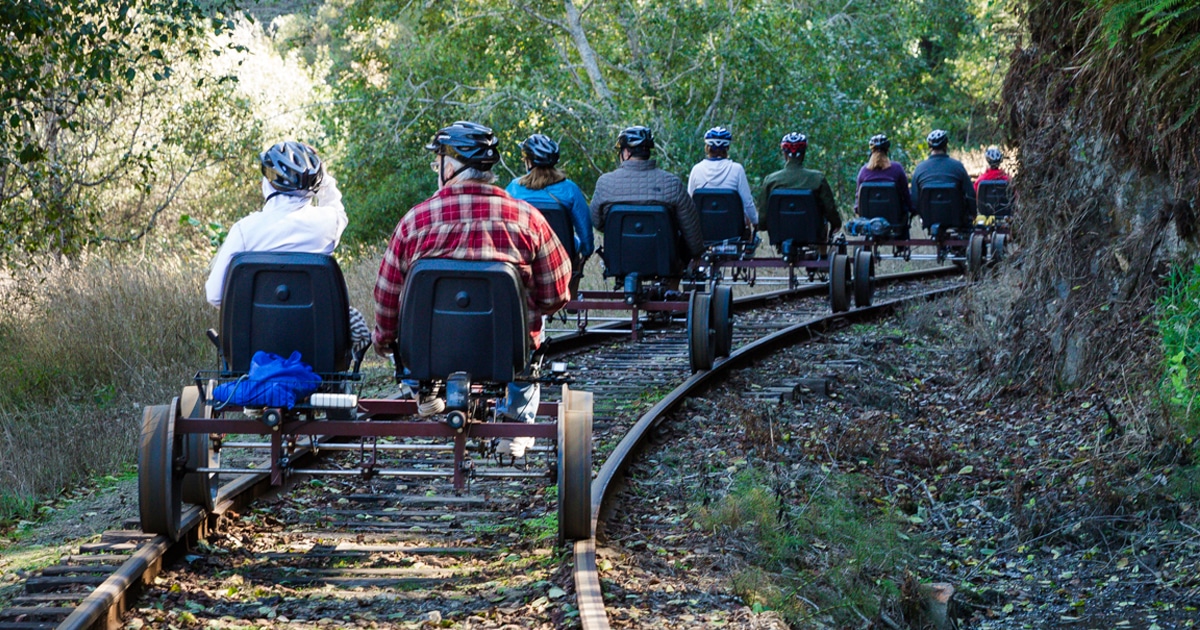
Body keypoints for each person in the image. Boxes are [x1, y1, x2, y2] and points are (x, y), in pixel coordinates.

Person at [373, 121, 571, 459]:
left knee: (404, 342)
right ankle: (517, 424)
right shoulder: (529, 219)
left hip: (428, 354)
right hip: (507, 353)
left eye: (438, 161)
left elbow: (387, 298)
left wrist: (386, 342)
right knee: (529, 345)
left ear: (450, 167)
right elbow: (556, 295)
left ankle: (427, 393)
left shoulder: (414, 222)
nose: (437, 167)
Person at [205, 140, 371, 356]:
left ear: (268, 183)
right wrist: (324, 176)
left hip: (257, 348)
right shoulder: (327, 223)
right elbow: (335, 207)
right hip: (317, 345)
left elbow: (215, 294)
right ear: (314, 181)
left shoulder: (244, 230)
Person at [591, 125, 705, 267]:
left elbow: (597, 222)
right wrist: (696, 253)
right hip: (664, 259)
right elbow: (690, 226)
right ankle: (671, 288)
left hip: (620, 257)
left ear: (626, 153)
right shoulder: (672, 183)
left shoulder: (605, 183)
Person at [505, 133, 593, 299]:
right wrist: (585, 254)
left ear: (528, 161)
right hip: (562, 256)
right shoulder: (570, 189)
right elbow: (585, 232)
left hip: (523, 254)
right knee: (577, 242)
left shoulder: (513, 189)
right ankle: (570, 293)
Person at [758, 132, 841, 242]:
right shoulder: (817, 178)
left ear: (784, 154)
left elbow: (763, 215)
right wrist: (836, 224)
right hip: (813, 233)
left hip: (781, 233)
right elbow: (829, 208)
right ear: (804, 153)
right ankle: (823, 256)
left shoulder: (771, 180)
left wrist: (763, 226)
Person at [686, 126, 757, 231]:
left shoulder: (696, 169)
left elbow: (690, 204)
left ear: (707, 148)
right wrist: (755, 221)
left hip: (703, 231)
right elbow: (747, 202)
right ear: (727, 148)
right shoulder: (737, 169)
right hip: (732, 230)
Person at [855, 133, 914, 239]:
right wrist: (912, 209)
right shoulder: (897, 169)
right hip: (895, 221)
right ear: (887, 151)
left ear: (871, 152)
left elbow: (858, 200)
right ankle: (901, 247)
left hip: (869, 222)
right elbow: (906, 195)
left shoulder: (863, 172)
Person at [911, 129, 976, 220]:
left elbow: (914, 199)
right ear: (946, 146)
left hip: (930, 218)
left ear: (930, 148)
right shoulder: (957, 166)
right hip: (957, 217)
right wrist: (973, 214)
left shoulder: (919, 168)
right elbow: (970, 194)